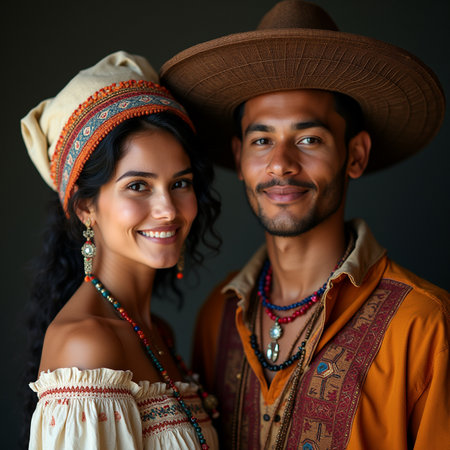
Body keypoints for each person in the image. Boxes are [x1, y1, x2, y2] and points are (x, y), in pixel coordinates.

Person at [160, 1, 450, 448]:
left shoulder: (425, 326)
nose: (280, 164)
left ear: (355, 155)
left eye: (309, 139)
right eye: (262, 140)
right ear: (239, 157)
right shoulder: (215, 321)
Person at [20, 51, 220, 449]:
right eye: (138, 186)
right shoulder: (89, 343)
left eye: (180, 183)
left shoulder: (154, 331)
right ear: (85, 207)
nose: (167, 210)